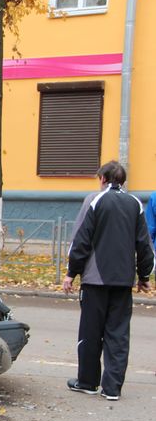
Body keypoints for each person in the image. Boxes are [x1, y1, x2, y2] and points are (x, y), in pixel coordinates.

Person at [62, 160, 154, 401]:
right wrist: (144, 276)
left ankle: (88, 382)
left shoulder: (95, 200)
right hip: (123, 281)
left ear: (103, 179)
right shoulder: (135, 204)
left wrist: (71, 272)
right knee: (118, 334)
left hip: (95, 280)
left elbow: (81, 239)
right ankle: (112, 388)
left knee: (91, 333)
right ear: (122, 181)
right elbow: (144, 244)